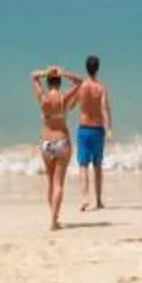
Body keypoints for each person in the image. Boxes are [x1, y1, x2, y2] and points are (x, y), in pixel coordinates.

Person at [31, 65, 77, 231]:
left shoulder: (43, 99)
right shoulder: (63, 98)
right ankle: (54, 220)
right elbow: (79, 82)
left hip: (46, 143)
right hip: (62, 141)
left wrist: (45, 72)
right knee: (59, 184)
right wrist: (64, 73)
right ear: (59, 82)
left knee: (50, 182)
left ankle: (54, 217)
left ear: (49, 82)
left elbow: (33, 76)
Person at [72, 54, 111, 210]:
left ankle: (84, 198)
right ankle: (99, 200)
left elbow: (72, 104)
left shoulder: (81, 86)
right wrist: (109, 128)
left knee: (83, 165)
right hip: (98, 129)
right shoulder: (101, 88)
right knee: (97, 165)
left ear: (86, 68)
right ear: (98, 69)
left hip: (84, 128)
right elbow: (104, 109)